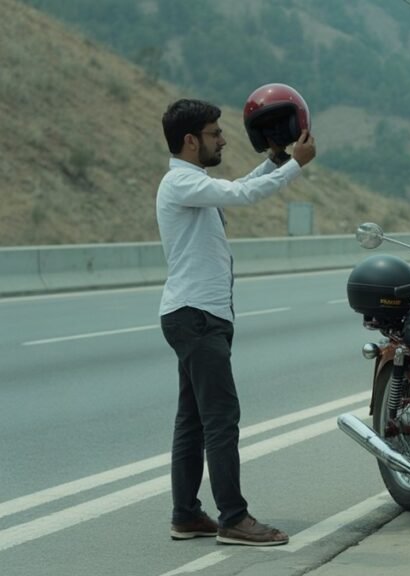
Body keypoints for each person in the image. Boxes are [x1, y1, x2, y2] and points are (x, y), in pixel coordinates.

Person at [157, 99, 316, 546]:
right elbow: (241, 195)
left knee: (193, 420)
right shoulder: (180, 181)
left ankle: (186, 514)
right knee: (221, 419)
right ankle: (234, 518)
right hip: (197, 317)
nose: (223, 138)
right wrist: (294, 168)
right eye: (214, 132)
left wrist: (276, 160)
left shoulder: (193, 182)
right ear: (190, 141)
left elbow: (238, 185)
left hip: (197, 316)